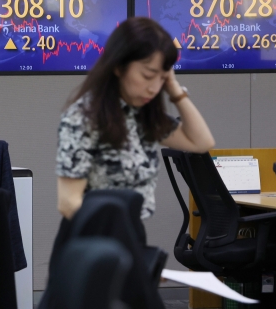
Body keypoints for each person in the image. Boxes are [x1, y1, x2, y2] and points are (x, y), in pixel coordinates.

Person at [56, 17, 215, 222]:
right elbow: (68, 203)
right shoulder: (84, 118)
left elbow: (201, 143)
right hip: (95, 238)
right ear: (119, 67)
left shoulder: (139, 115)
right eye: (148, 75)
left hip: (130, 236)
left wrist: (175, 91)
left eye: (162, 78)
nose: (154, 88)